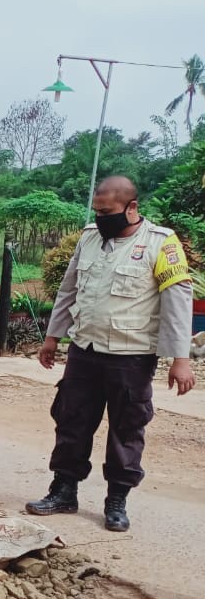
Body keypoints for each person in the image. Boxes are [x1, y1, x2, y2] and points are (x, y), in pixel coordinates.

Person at [25, 175, 195, 531]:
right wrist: (53, 337)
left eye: (108, 211)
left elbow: (178, 302)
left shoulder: (161, 244)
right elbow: (68, 289)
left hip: (131, 357)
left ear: (131, 208)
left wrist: (180, 359)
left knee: (127, 430)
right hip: (84, 352)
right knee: (71, 422)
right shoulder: (90, 237)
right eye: (97, 211)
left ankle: (117, 500)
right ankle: (63, 491)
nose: (102, 218)